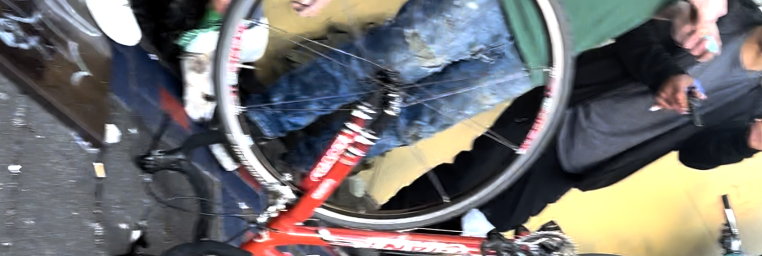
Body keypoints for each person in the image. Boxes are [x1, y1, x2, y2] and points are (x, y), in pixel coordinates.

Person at [381, 0, 762, 238]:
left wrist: (745, 143)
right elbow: (632, 30)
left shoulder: (753, 102)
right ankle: (358, 238)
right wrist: (663, 75)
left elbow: (694, 154)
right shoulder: (722, 13)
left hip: (586, 159)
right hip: (561, 107)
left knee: (488, 224)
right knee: (464, 181)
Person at [244, 0, 728, 173]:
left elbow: (635, 11)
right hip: (496, 4)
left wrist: (687, 20)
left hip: (541, 53)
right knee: (379, 64)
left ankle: (306, 172)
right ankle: (258, 123)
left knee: (414, 120)